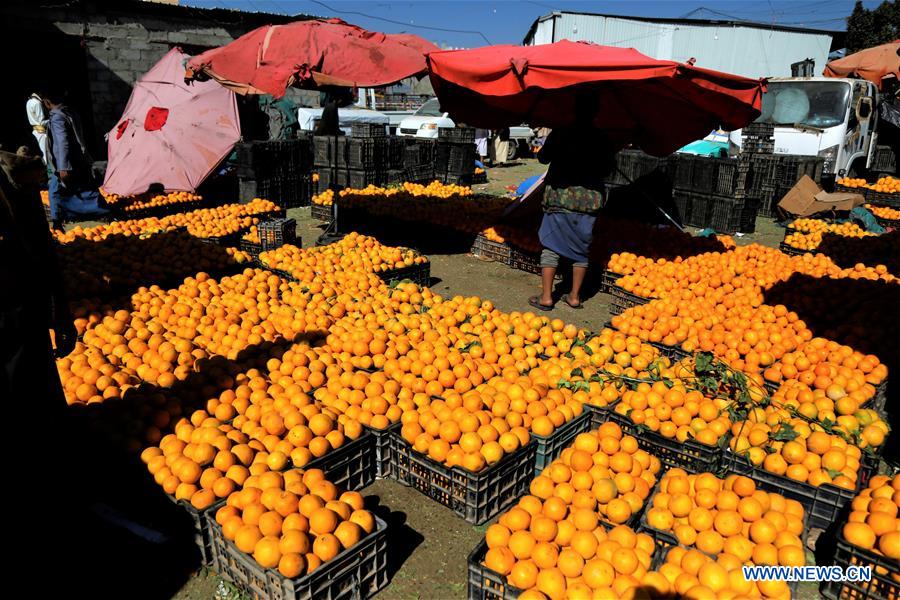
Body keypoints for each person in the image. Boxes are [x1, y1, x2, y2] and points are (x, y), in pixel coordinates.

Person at [528, 127, 619, 311]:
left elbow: (543, 157)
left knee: (551, 245)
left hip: (560, 198)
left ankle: (546, 297)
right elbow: (609, 168)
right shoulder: (602, 136)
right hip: (589, 201)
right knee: (581, 247)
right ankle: (574, 297)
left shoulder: (562, 132)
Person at [43, 86, 107, 229]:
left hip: (65, 161)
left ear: (47, 102)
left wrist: (63, 166)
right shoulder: (70, 112)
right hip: (77, 158)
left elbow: (62, 142)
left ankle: (57, 221)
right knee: (85, 187)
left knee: (55, 189)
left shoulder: (57, 117)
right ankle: (101, 210)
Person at [25, 92, 50, 164]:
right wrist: (52, 119)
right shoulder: (37, 103)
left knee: (42, 154)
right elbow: (42, 122)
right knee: (46, 156)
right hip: (41, 132)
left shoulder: (29, 101)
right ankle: (49, 174)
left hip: (35, 132)